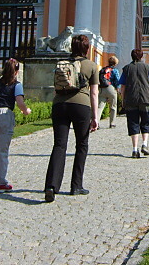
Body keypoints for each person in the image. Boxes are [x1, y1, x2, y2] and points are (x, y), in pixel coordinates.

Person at [44, 35, 99, 202]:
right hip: (81, 106)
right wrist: (95, 117)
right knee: (81, 145)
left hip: (59, 105)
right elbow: (95, 93)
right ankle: (76, 185)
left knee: (59, 145)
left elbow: (56, 87)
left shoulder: (62, 63)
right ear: (87, 49)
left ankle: (51, 186)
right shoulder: (91, 65)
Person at [0, 58, 31, 192]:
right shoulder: (16, 85)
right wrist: (26, 111)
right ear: (16, 72)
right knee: (2, 151)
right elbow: (20, 102)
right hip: (4, 114)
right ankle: (1, 182)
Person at [119, 49, 149, 158]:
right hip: (146, 99)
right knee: (146, 122)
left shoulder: (126, 69)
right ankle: (144, 144)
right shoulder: (147, 68)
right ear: (141, 56)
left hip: (131, 99)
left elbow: (122, 87)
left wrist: (123, 100)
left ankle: (134, 149)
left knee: (133, 123)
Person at [97, 55, 121, 129]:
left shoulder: (103, 70)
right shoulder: (115, 70)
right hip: (111, 88)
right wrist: (118, 88)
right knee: (113, 106)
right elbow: (117, 81)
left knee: (100, 106)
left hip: (102, 88)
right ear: (115, 63)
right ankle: (112, 123)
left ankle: (96, 122)